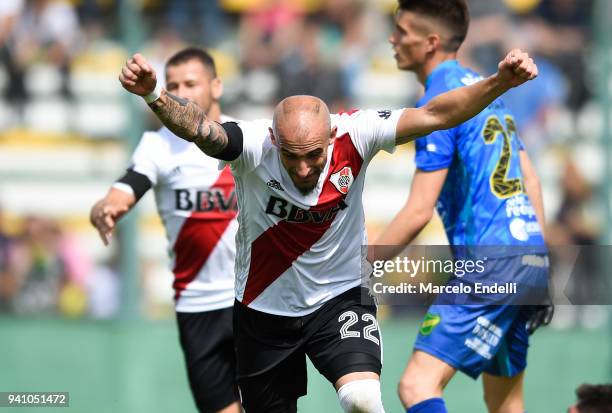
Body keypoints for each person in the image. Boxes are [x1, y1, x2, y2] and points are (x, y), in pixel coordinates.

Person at [118, 45, 538, 412]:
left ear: (332, 135)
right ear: (275, 141)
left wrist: (499, 82)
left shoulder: (359, 132)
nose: (303, 169)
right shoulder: (251, 144)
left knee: (362, 399)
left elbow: (435, 112)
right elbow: (198, 128)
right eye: (292, 157)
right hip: (263, 308)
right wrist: (154, 94)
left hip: (340, 298)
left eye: (314, 156)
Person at [372, 1, 550, 412]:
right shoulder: (485, 89)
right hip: (527, 258)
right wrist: (539, 263)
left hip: (488, 263)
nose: (392, 39)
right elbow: (532, 179)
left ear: (430, 42)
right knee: (505, 402)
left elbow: (419, 211)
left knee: (417, 385)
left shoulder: (443, 102)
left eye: (402, 31)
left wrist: (360, 267)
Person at [91, 47, 241, 413]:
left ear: (216, 86)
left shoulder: (243, 138)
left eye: (191, 83)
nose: (181, 92)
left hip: (251, 299)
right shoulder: (157, 145)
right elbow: (126, 188)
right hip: (195, 305)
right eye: (172, 84)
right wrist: (105, 208)